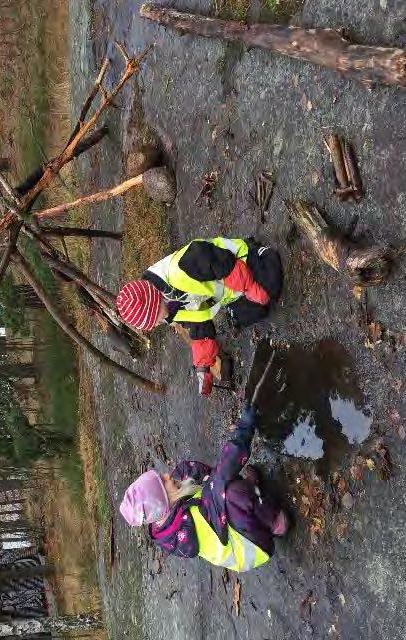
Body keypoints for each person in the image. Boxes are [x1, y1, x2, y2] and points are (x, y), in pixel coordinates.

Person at [118, 404, 288, 571]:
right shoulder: (194, 520)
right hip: (250, 547)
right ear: (162, 504)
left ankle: (250, 492)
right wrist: (244, 430)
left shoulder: (163, 519)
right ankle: (273, 523)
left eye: (161, 476)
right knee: (230, 492)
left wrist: (193, 475)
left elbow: (192, 473)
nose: (167, 476)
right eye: (163, 483)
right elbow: (220, 478)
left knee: (207, 481)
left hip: (227, 525)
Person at [115, 237, 282, 395]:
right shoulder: (167, 307)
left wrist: (251, 287)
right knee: (252, 314)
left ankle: (260, 252)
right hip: (229, 291)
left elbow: (224, 264)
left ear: (154, 299)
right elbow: (198, 322)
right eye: (153, 323)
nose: (158, 323)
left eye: (154, 318)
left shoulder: (183, 266)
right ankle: (245, 295)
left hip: (239, 261)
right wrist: (203, 365)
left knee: (270, 286)